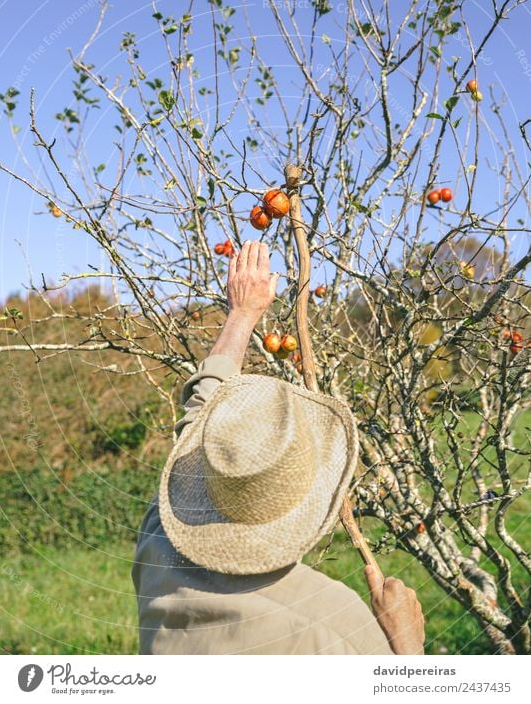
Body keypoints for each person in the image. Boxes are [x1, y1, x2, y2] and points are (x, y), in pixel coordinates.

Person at [132, 240, 425, 655]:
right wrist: (409, 646)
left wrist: (242, 314)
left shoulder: (159, 542)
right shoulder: (337, 626)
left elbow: (198, 411)